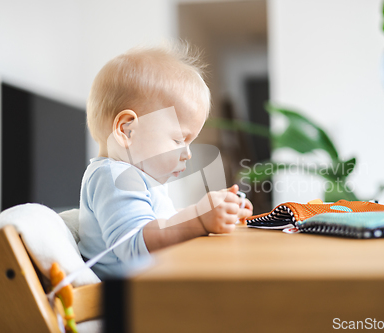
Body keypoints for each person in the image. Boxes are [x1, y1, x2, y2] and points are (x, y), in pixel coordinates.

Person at [78, 44, 253, 279]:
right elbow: (135, 244)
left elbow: (161, 224)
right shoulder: (113, 176)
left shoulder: (136, 179)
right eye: (179, 139)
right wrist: (199, 218)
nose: (187, 153)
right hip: (128, 301)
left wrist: (218, 212)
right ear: (127, 130)